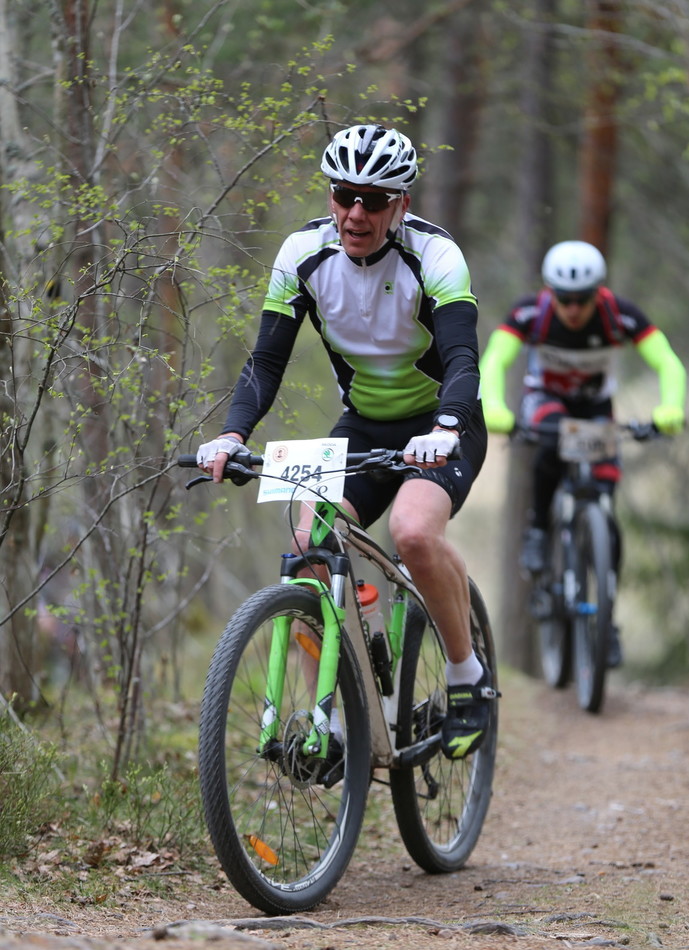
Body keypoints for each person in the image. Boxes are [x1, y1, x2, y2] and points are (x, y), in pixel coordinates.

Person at [196, 122, 496, 759]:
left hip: (444, 424)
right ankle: (336, 715)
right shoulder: (302, 254)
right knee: (310, 545)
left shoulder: (436, 256)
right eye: (343, 194)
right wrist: (231, 433)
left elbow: (463, 358)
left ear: (401, 205)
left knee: (413, 533)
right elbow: (266, 361)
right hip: (361, 426)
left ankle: (468, 679)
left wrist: (444, 429)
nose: (355, 212)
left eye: (374, 199)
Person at [479, 239, 686, 667]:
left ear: (599, 292)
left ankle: (606, 619)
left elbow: (667, 362)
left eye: (583, 299)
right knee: (553, 438)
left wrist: (669, 408)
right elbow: (495, 361)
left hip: (595, 409)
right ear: (549, 291)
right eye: (564, 298)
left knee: (606, 513)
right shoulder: (530, 313)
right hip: (546, 399)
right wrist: (495, 408)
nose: (573, 308)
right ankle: (539, 529)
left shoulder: (620, 315)